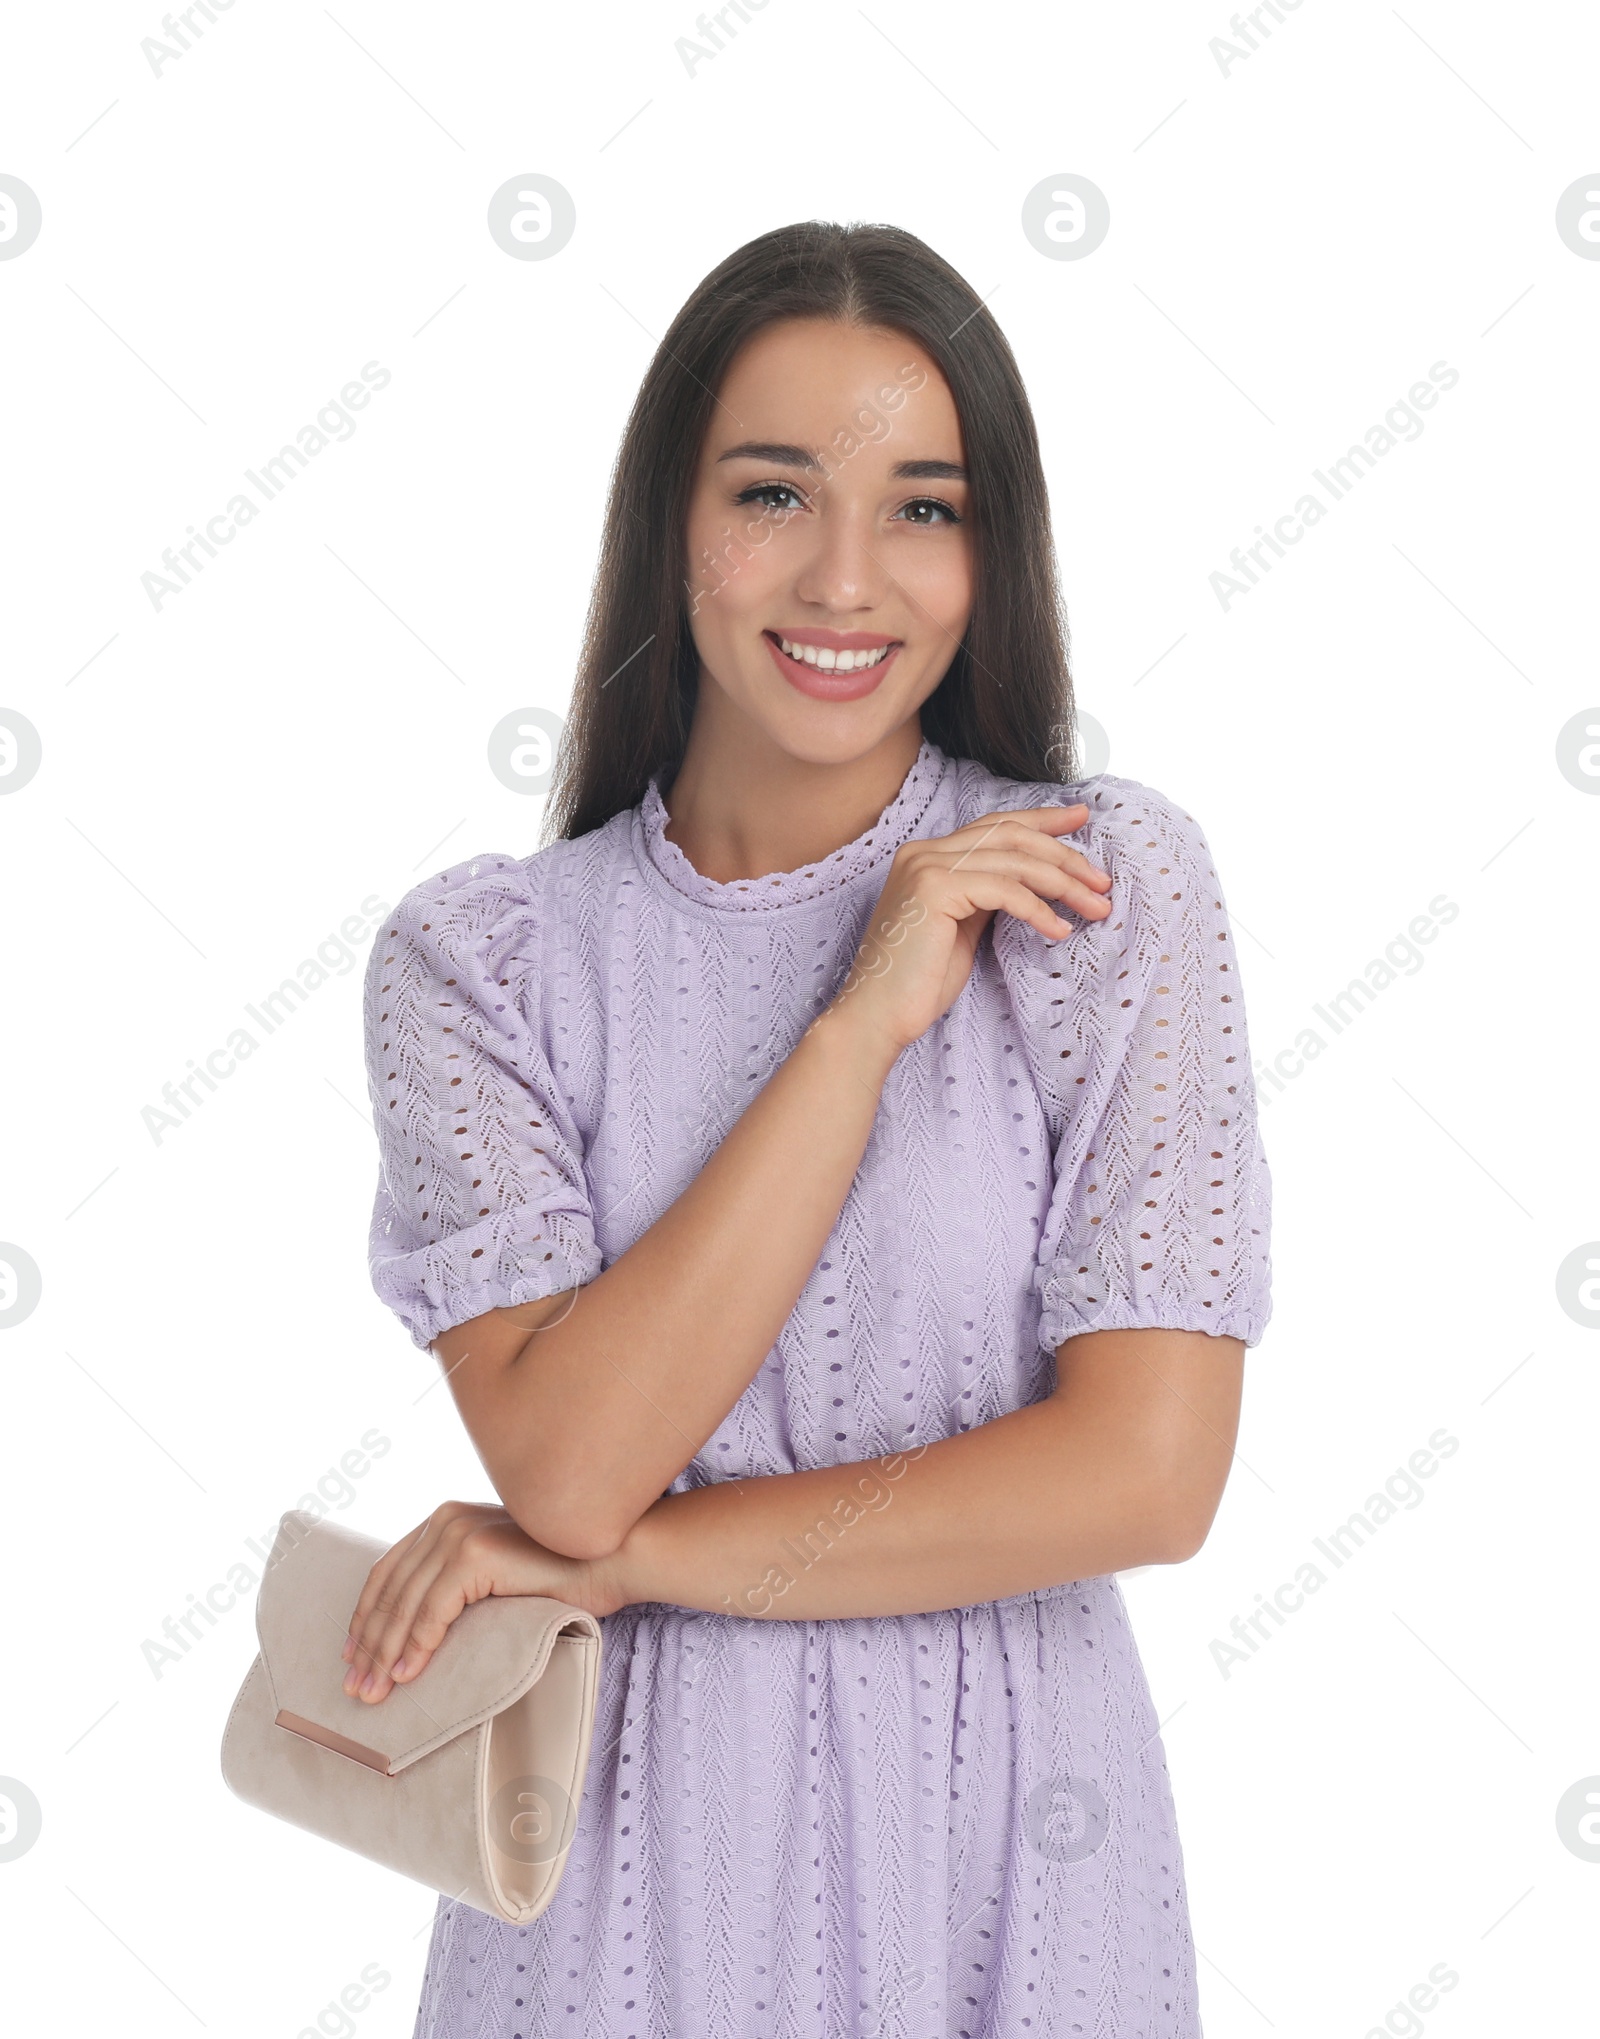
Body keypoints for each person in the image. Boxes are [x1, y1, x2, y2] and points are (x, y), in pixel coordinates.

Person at [342, 219, 1273, 2039]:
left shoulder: (1099, 893)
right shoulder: (482, 965)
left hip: (1013, 1842)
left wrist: (636, 1565)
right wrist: (860, 1023)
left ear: (992, 551)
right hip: (612, 1876)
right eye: (775, 493)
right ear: (669, 524)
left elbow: (1147, 1478)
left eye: (925, 508)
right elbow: (574, 1464)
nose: (848, 579)